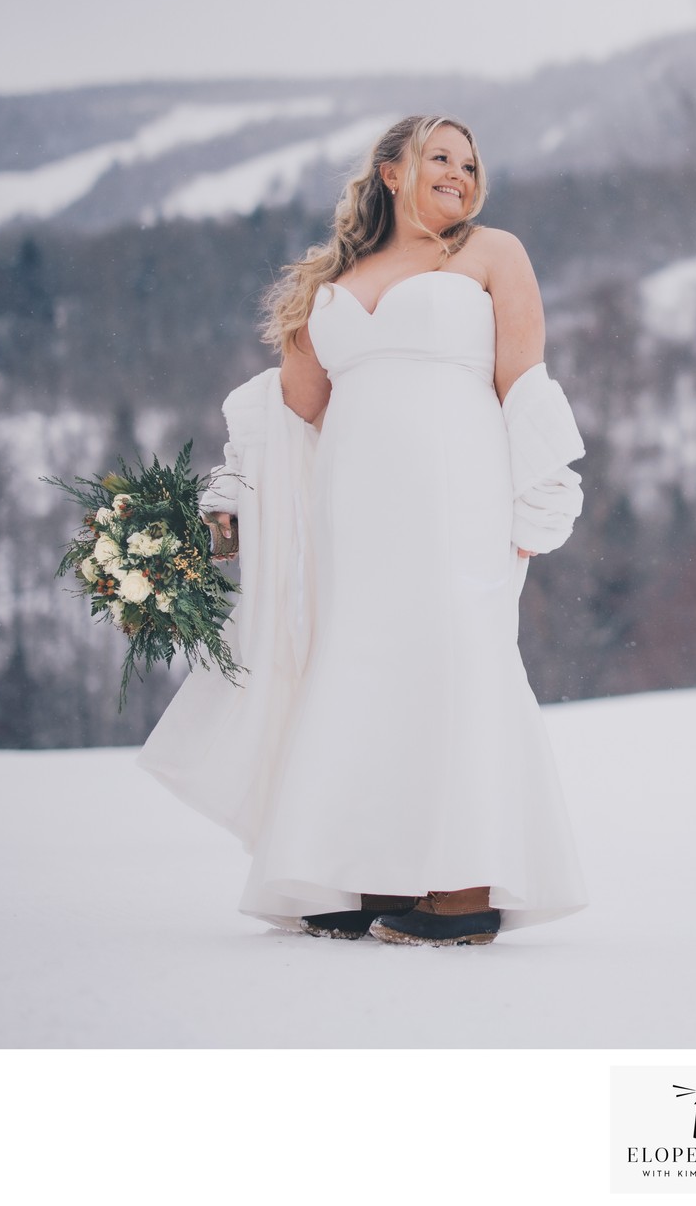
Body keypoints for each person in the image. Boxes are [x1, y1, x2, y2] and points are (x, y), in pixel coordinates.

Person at [138, 114, 587, 948]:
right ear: (390, 170)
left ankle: (463, 883)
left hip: (458, 490)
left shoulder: (493, 253)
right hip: (354, 505)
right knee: (357, 661)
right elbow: (293, 409)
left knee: (455, 653)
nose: (460, 172)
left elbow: (524, 376)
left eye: (470, 161)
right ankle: (361, 871)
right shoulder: (333, 279)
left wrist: (540, 492)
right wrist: (226, 495)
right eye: (439, 157)